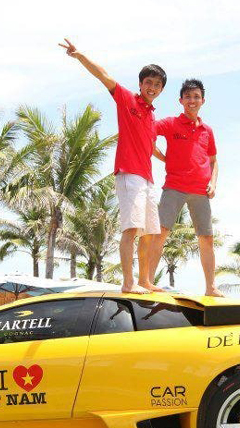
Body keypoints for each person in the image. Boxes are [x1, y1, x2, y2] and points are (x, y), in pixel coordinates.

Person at [59, 38, 165, 293]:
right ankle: (128, 282)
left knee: (150, 232)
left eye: (157, 84)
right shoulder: (128, 99)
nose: (152, 87)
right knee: (132, 229)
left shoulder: (152, 116)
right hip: (129, 174)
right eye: (148, 82)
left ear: (161, 89)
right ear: (140, 84)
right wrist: (79, 55)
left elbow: (151, 147)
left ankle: (144, 280)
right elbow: (103, 75)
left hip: (148, 179)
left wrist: (168, 160)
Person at [145, 79, 223, 296]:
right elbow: (147, 131)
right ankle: (147, 282)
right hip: (174, 186)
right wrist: (163, 157)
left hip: (201, 192)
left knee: (206, 238)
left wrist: (213, 183)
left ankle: (211, 288)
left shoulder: (207, 130)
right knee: (160, 232)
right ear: (181, 100)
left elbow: (213, 161)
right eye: (188, 96)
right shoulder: (171, 123)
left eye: (196, 97)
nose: (192, 100)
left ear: (203, 101)